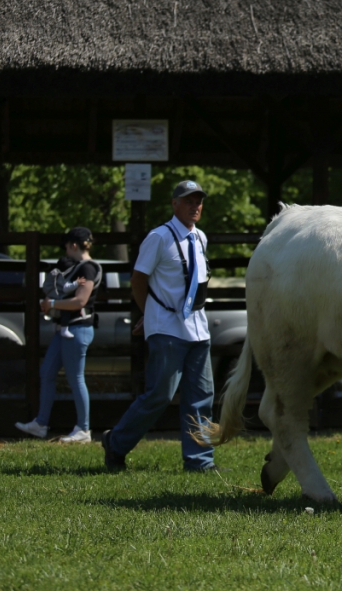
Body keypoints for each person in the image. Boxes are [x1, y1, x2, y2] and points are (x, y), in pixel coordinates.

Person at [102, 181, 220, 472]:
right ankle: (115, 443)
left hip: (198, 329)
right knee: (160, 395)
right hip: (167, 328)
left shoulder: (201, 237)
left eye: (198, 201)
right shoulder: (159, 237)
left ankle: (200, 461)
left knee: (202, 396)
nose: (195, 206)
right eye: (188, 201)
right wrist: (149, 312)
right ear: (174, 204)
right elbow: (138, 280)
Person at [15, 228, 101, 443]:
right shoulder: (78, 268)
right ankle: (41, 423)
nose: (65, 250)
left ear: (74, 245)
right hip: (66, 328)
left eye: (66, 245)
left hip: (77, 328)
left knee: (76, 378)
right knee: (47, 373)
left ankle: (83, 428)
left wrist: (52, 304)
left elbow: (80, 301)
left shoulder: (88, 269)